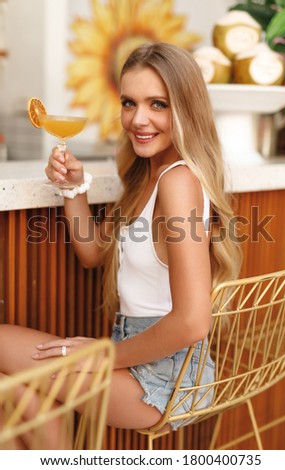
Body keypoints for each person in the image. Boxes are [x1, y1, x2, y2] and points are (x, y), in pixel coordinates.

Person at [0, 42, 241, 448]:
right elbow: (94, 255)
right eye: (129, 103)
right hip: (142, 360)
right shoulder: (149, 174)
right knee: (16, 389)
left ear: (187, 109)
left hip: (163, 377)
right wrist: (72, 189)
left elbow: (193, 322)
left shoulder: (177, 182)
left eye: (158, 104)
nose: (138, 119)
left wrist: (103, 356)